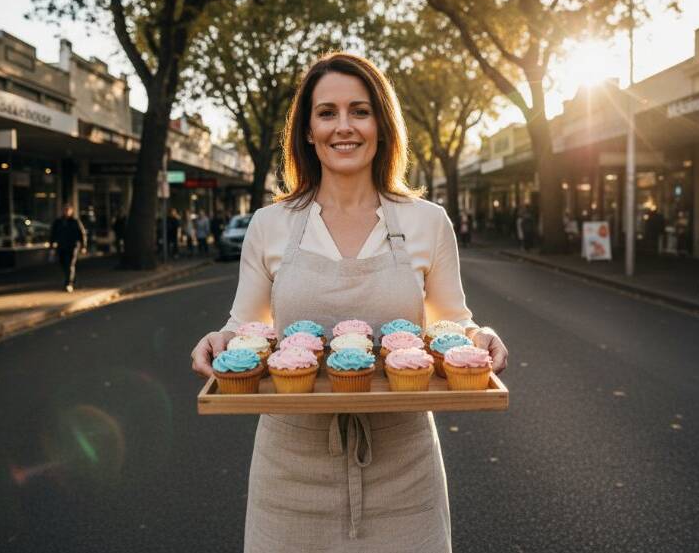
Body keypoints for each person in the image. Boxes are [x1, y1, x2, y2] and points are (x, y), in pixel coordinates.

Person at [190, 53, 508, 552]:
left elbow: (452, 323)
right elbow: (247, 327)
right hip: (289, 468)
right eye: (327, 113)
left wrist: (479, 337)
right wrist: (219, 340)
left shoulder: (427, 221)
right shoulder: (270, 225)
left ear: (382, 124)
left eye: (359, 111)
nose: (344, 127)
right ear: (308, 131)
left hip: (405, 466)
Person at [49, 203, 86, 292]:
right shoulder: (58, 222)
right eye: (65, 210)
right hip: (61, 246)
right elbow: (53, 234)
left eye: (68, 210)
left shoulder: (75, 221)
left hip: (72, 246)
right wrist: (52, 245)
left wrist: (83, 246)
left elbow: (82, 234)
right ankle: (71, 278)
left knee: (70, 264)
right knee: (63, 263)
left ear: (71, 211)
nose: (66, 212)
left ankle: (68, 283)